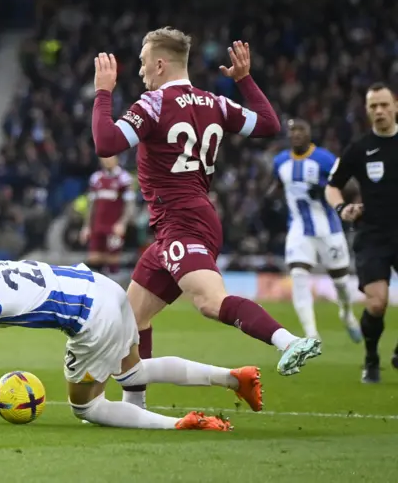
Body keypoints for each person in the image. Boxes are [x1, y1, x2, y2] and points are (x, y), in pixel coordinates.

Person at [0, 214, 265, 431]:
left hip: (90, 318)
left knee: (86, 407)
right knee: (131, 372)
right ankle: (233, 377)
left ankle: (180, 424)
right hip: (104, 289)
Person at [91, 28, 321, 409]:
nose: (140, 69)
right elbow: (268, 124)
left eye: (145, 61)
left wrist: (103, 92)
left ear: (161, 64)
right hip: (182, 222)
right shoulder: (214, 102)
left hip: (183, 222)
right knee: (130, 321)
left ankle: (289, 341)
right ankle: (136, 407)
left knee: (210, 302)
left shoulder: (152, 104)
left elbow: (105, 143)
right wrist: (244, 81)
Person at [326, 82, 398, 383]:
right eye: (373, 107)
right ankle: (371, 356)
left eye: (384, 104)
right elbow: (332, 186)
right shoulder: (358, 149)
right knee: (377, 302)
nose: (379, 111)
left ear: (395, 105)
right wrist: (343, 209)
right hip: (373, 236)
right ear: (367, 111)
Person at [270, 119, 361, 341]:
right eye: (292, 130)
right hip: (299, 228)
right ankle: (311, 335)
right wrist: (270, 197)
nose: (296, 134)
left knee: (341, 283)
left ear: (310, 132)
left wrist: (322, 190)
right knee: (298, 275)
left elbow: (350, 185)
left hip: (328, 228)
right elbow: (278, 185)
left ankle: (347, 314)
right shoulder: (280, 161)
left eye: (301, 129)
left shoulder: (324, 159)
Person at [79, 156, 135, 276]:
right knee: (94, 258)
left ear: (117, 159)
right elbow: (91, 206)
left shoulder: (124, 178)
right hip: (98, 225)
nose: (107, 160)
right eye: (104, 158)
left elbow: (130, 204)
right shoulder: (96, 178)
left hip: (114, 226)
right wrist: (86, 226)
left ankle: (115, 288)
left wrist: (122, 223)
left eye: (110, 157)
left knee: (112, 259)